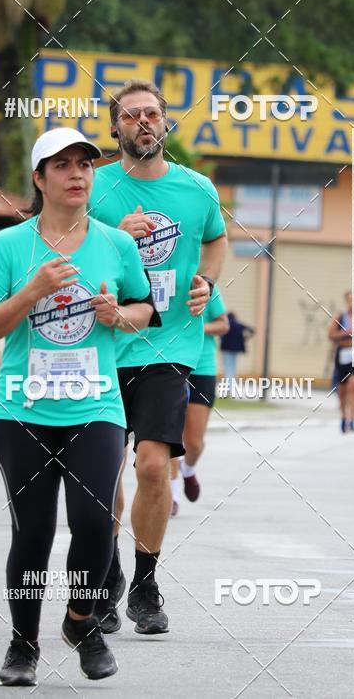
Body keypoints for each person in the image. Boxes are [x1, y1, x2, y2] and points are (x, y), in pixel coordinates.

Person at [0, 127, 158, 686]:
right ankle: (22, 644)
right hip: (22, 410)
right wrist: (30, 292)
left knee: (95, 521)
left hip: (96, 404)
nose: (77, 173)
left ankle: (82, 621)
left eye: (85, 164)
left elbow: (147, 309)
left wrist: (118, 315)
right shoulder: (10, 245)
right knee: (31, 533)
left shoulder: (116, 243)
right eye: (62, 165)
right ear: (39, 178)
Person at [89, 78, 227, 636]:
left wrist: (206, 280)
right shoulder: (93, 187)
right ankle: (109, 572)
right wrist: (110, 233)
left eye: (152, 113)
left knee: (151, 466)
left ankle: (146, 582)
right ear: (116, 127)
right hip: (96, 348)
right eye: (131, 115)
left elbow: (216, 240)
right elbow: (58, 240)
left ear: (165, 122)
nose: (143, 122)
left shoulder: (197, 190)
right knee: (101, 478)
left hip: (169, 345)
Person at [171, 286, 229, 514]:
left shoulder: (205, 288)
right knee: (170, 436)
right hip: (170, 364)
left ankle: (188, 469)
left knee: (194, 442)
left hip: (202, 368)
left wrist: (196, 328)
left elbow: (223, 324)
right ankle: (172, 495)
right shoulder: (162, 280)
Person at [328, 290, 354, 433]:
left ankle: (353, 419)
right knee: (343, 390)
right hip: (343, 353)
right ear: (346, 301)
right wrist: (346, 332)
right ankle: (344, 416)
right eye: (350, 300)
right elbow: (330, 335)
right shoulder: (340, 316)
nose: (352, 303)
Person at [220, 312, 255, 387]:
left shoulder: (226, 324)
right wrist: (245, 338)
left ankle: (228, 386)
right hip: (236, 349)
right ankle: (232, 386)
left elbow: (220, 334)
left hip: (226, 348)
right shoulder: (238, 324)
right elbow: (252, 330)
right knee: (233, 367)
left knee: (227, 367)